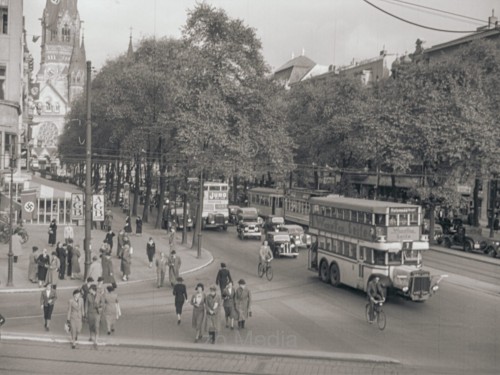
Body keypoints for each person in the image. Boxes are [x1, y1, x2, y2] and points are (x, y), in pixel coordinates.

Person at [86, 284, 103, 348]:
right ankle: (91, 336)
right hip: (90, 313)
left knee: (96, 326)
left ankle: (96, 340)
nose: (89, 290)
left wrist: (98, 307)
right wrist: (85, 313)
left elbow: (102, 303)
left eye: (90, 289)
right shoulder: (88, 295)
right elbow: (86, 305)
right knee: (91, 325)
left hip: (97, 312)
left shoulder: (99, 295)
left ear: (93, 290)